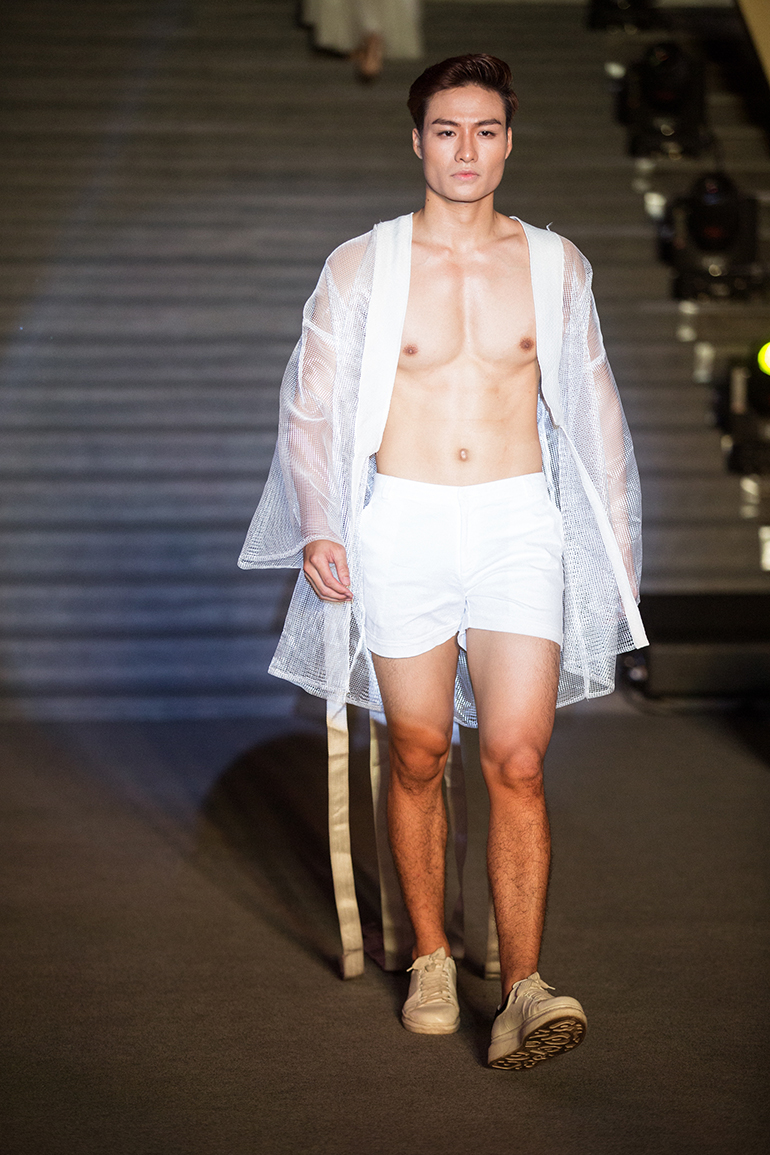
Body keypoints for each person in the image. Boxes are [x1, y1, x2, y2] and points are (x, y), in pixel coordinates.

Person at [239, 53, 647, 1069]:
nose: (466, 149)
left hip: (517, 522)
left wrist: (615, 555)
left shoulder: (555, 264)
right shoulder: (361, 264)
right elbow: (311, 406)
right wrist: (320, 523)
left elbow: (596, 412)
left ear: (508, 142)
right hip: (402, 523)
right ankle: (430, 956)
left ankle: (523, 987)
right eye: (447, 130)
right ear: (417, 140)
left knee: (517, 756)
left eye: (485, 130)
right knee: (418, 752)